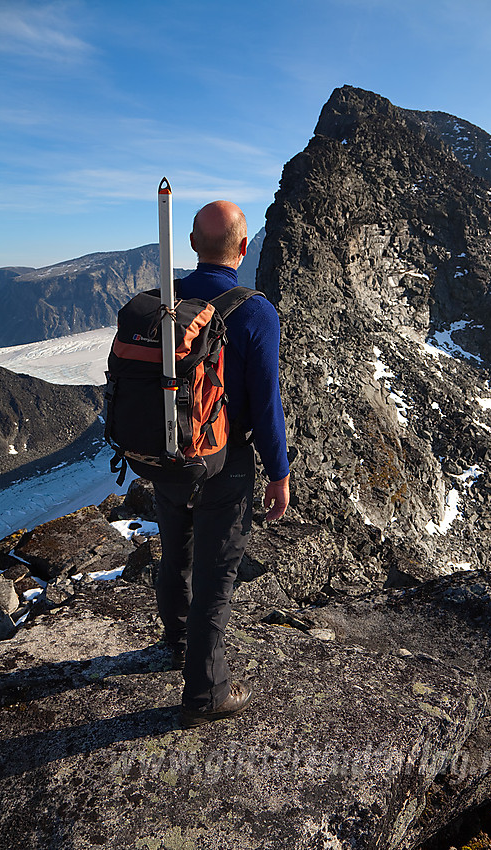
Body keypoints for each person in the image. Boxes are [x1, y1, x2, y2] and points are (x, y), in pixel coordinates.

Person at [139, 200, 290, 727]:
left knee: (175, 552)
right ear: (244, 249)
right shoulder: (255, 312)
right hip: (226, 463)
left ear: (191, 245)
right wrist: (279, 473)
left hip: (167, 453)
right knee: (216, 573)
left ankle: (177, 641)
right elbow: (267, 404)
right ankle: (205, 692)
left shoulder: (164, 300)